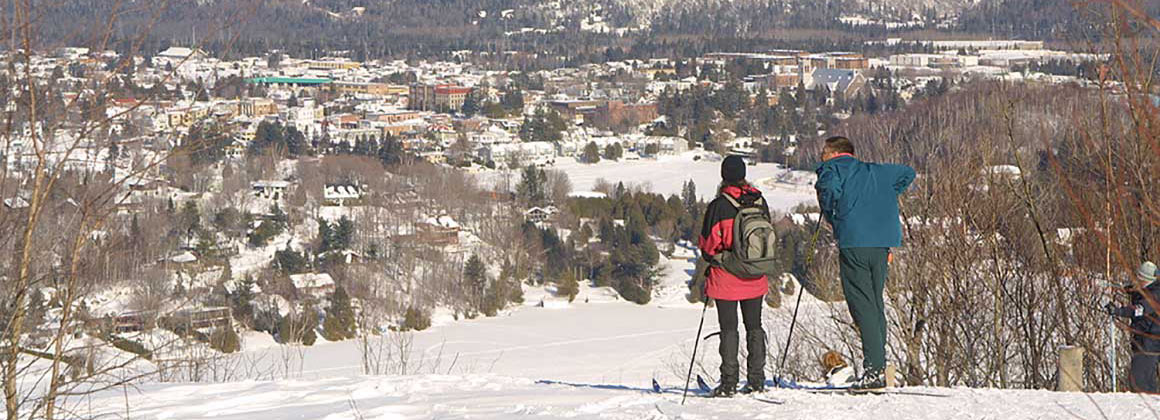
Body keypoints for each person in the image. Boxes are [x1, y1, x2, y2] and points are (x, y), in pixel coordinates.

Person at [814, 136, 915, 391]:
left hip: (854, 242)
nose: (821, 156)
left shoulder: (832, 169)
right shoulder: (877, 171)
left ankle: (874, 371)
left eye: (823, 152)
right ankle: (879, 365)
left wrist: (834, 218)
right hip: (882, 243)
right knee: (875, 302)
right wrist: (884, 196)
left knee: (862, 305)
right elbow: (908, 173)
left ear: (834, 153)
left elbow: (828, 196)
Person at [698, 155, 770, 397]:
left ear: (723, 175)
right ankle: (757, 380)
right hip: (755, 274)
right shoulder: (759, 201)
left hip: (727, 276)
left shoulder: (719, 205)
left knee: (729, 329)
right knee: (755, 327)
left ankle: (729, 382)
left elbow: (708, 246)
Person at [1105, 261, 1160, 393]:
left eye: (1139, 277)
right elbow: (1139, 293)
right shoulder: (1151, 289)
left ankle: (1147, 410)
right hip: (1145, 342)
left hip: (1149, 344)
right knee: (1141, 380)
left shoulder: (1154, 296)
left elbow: (1138, 309)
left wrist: (1119, 311)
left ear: (1144, 279)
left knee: (1141, 383)